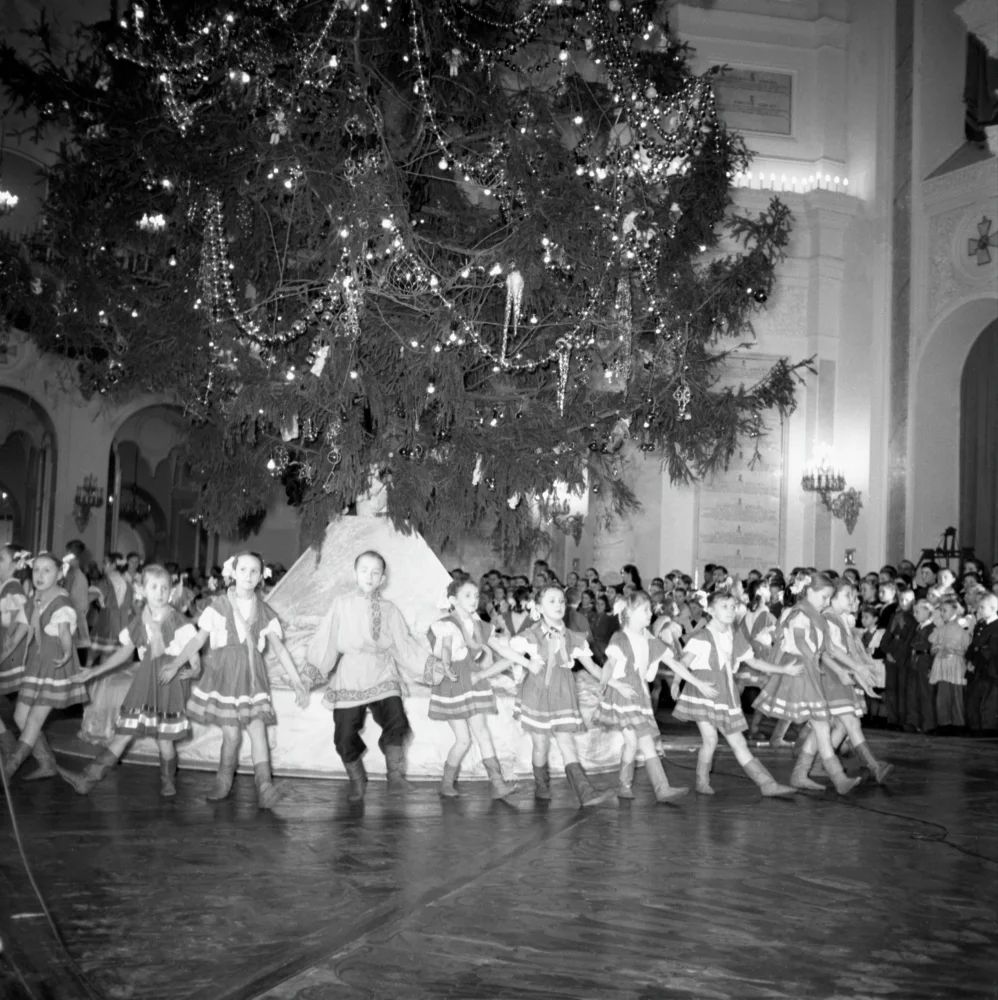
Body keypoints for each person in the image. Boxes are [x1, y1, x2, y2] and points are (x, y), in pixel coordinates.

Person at [305, 550, 445, 800]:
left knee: (397, 722)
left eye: (376, 572)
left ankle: (395, 777)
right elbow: (326, 641)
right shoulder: (341, 604)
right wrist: (311, 672)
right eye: (364, 570)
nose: (369, 576)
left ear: (383, 578)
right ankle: (357, 779)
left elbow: (404, 645)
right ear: (354, 574)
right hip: (351, 673)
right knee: (344, 735)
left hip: (382, 672)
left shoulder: (390, 609)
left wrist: (433, 666)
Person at [179, 552, 310, 807]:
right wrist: (177, 663)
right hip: (225, 675)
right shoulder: (219, 605)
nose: (248, 575)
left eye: (254, 571)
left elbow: (280, 649)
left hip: (252, 677)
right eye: (243, 570)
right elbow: (198, 639)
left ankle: (265, 786)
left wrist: (296, 680)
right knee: (232, 736)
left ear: (261, 577)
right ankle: (223, 780)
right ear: (233, 573)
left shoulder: (264, 611)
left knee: (258, 731)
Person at [58, 564, 201, 797]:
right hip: (146, 680)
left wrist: (193, 668)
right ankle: (87, 778)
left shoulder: (178, 621)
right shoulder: (140, 621)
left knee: (164, 740)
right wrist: (95, 671)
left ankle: (168, 779)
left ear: (171, 591)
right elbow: (125, 652)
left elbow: (192, 651)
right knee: (124, 732)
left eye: (165, 587)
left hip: (169, 681)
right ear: (141, 590)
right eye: (154, 586)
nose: (160, 592)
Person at [672, 590, 800, 797]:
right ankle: (704, 781)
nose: (730, 611)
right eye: (724, 607)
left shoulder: (735, 637)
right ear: (710, 610)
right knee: (712, 740)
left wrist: (783, 670)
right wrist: (681, 682)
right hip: (704, 692)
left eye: (733, 607)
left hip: (725, 693)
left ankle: (766, 784)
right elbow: (682, 664)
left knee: (732, 742)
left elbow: (755, 662)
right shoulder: (703, 636)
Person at [753, 574, 862, 795]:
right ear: (809, 591)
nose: (825, 602)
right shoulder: (800, 614)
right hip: (801, 672)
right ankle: (833, 778)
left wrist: (852, 668)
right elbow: (801, 642)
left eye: (829, 598)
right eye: (823, 597)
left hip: (809, 670)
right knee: (822, 725)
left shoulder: (817, 615)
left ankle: (803, 775)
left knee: (822, 725)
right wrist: (814, 661)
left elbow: (830, 648)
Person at [511, 584, 616, 807]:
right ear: (538, 607)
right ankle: (541, 784)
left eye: (561, 601)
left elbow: (594, 668)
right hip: (537, 694)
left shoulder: (574, 638)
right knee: (540, 745)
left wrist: (614, 682)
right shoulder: (530, 636)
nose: (559, 605)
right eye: (552, 601)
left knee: (566, 742)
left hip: (562, 693)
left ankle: (586, 794)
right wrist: (523, 669)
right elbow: (511, 654)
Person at [428, 578, 532, 799]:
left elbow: (503, 650)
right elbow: (446, 648)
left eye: (476, 596)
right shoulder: (447, 624)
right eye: (468, 595)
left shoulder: (480, 626)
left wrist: (526, 662)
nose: (474, 600)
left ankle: (497, 784)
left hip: (473, 680)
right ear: (453, 600)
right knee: (463, 739)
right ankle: (446, 782)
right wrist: (446, 666)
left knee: (483, 732)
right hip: (453, 683)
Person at [592, 591, 697, 802]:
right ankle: (657, 787)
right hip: (625, 694)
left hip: (639, 694)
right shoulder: (620, 638)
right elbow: (610, 664)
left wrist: (696, 682)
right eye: (645, 610)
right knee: (642, 741)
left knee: (634, 743)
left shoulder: (649, 640)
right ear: (630, 613)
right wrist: (606, 684)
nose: (651, 613)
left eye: (651, 608)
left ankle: (629, 785)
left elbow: (675, 663)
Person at [2, 552, 86, 780]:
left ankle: (10, 768)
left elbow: (64, 632)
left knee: (33, 719)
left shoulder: (61, 602)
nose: (39, 575)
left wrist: (68, 651)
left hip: (55, 666)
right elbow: (16, 637)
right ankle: (47, 762)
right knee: (20, 716)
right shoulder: (33, 601)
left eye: (46, 570)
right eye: (36, 569)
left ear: (60, 574)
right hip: (36, 664)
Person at [78, 553, 138, 745]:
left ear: (112, 564)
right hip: (125, 624)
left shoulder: (107, 581)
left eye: (105, 562)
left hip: (108, 624)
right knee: (121, 672)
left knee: (100, 669)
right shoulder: (128, 583)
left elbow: (87, 598)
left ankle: (98, 721)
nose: (103, 566)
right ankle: (116, 721)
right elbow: (136, 607)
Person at [0, 545, 32, 759]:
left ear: (14, 565)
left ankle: (12, 751)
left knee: (24, 715)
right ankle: (12, 750)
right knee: (23, 715)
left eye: (1, 559)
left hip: (11, 656)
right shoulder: (6, 588)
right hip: (8, 654)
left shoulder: (12, 590)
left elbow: (14, 629)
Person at [929, 598, 972, 733]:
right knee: (943, 694)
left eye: (945, 610)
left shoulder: (963, 627)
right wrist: (935, 649)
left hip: (956, 663)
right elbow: (932, 647)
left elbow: (966, 648)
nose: (942, 613)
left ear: (955, 609)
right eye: (940, 610)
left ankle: (958, 724)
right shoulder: (940, 628)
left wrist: (954, 651)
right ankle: (944, 723)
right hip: (942, 663)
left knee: (956, 694)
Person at [965, 593, 998, 735]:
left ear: (994, 608)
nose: (979, 610)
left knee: (989, 702)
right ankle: (976, 727)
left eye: (982, 607)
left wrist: (976, 658)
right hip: (978, 669)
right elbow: (974, 646)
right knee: (974, 699)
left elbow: (991, 650)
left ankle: (988, 729)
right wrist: (970, 660)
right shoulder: (980, 625)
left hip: (991, 670)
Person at [905, 600, 937, 734]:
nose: (914, 614)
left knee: (926, 693)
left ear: (927, 611)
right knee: (913, 691)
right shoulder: (918, 627)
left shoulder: (932, 628)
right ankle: (914, 721)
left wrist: (931, 667)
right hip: (915, 661)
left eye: (917, 611)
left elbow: (933, 649)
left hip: (925, 661)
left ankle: (928, 724)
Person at [63, 539, 93, 666]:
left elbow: (65, 593)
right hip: (78, 616)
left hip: (72, 617)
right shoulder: (79, 572)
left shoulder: (72, 571)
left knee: (75, 654)